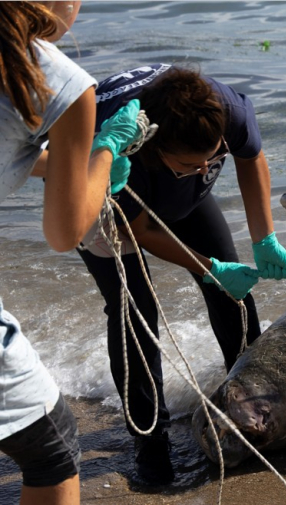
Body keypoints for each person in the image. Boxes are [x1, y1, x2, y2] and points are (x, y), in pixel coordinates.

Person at [75, 63, 286, 485]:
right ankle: (150, 442)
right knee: (133, 313)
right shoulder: (124, 144)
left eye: (212, 160)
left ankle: (253, 407)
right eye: (190, 165)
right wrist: (210, 267)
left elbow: (251, 158)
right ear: (156, 148)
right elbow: (135, 230)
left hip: (173, 184)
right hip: (106, 191)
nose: (204, 171)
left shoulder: (227, 110)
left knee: (234, 297)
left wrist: (264, 238)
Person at [0, 1, 144, 503]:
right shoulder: (58, 79)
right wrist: (104, 151)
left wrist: (63, 164)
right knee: (52, 449)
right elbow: (64, 234)